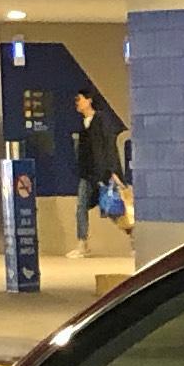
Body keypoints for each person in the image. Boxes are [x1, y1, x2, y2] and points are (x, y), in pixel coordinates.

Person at [71, 89, 131, 248]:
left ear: (89, 100)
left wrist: (113, 171)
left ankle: (134, 237)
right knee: (81, 207)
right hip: (87, 174)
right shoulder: (82, 126)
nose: (77, 103)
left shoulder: (101, 120)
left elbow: (109, 147)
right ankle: (82, 243)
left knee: (112, 208)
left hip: (103, 173)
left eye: (80, 99)